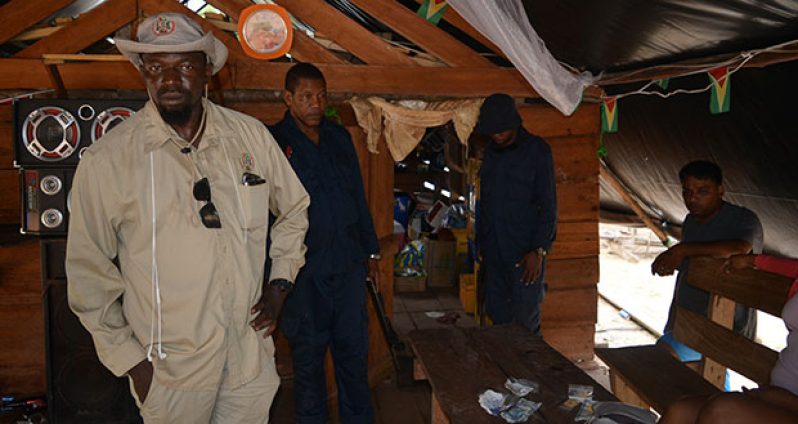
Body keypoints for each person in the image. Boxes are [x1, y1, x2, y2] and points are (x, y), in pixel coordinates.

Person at [65, 13, 310, 423]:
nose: (169, 79)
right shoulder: (108, 162)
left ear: (207, 70)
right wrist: (133, 364)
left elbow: (294, 209)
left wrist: (279, 285)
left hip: (247, 366)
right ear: (144, 74)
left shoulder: (250, 138)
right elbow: (88, 273)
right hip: (170, 376)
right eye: (156, 68)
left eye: (183, 66)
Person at [269, 63, 380, 424]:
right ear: (288, 98)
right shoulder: (273, 142)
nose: (315, 104)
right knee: (309, 369)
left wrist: (371, 249)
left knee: (353, 362)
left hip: (347, 267)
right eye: (305, 97)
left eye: (321, 96)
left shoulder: (338, 137)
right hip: (303, 276)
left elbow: (357, 196)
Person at [658, 253, 798, 424]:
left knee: (721, 412)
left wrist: (776, 397)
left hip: (788, 403)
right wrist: (751, 260)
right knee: (679, 412)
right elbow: (790, 266)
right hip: (778, 395)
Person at [652, 161, 763, 366]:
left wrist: (682, 249)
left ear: (720, 190)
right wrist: (671, 261)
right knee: (701, 375)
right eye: (687, 192)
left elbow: (739, 249)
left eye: (703, 191)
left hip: (725, 325)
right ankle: (722, 396)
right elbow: (695, 262)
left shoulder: (743, 219)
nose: (692, 198)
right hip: (687, 317)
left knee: (665, 356)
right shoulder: (691, 221)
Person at [475, 93, 557, 335]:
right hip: (494, 250)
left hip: (525, 255)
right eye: (492, 131)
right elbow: (486, 201)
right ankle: (506, 373)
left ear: (514, 123)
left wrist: (539, 250)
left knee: (525, 325)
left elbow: (549, 205)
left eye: (502, 130)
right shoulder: (490, 152)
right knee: (498, 317)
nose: (497, 135)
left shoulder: (538, 151)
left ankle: (530, 374)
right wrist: (482, 241)